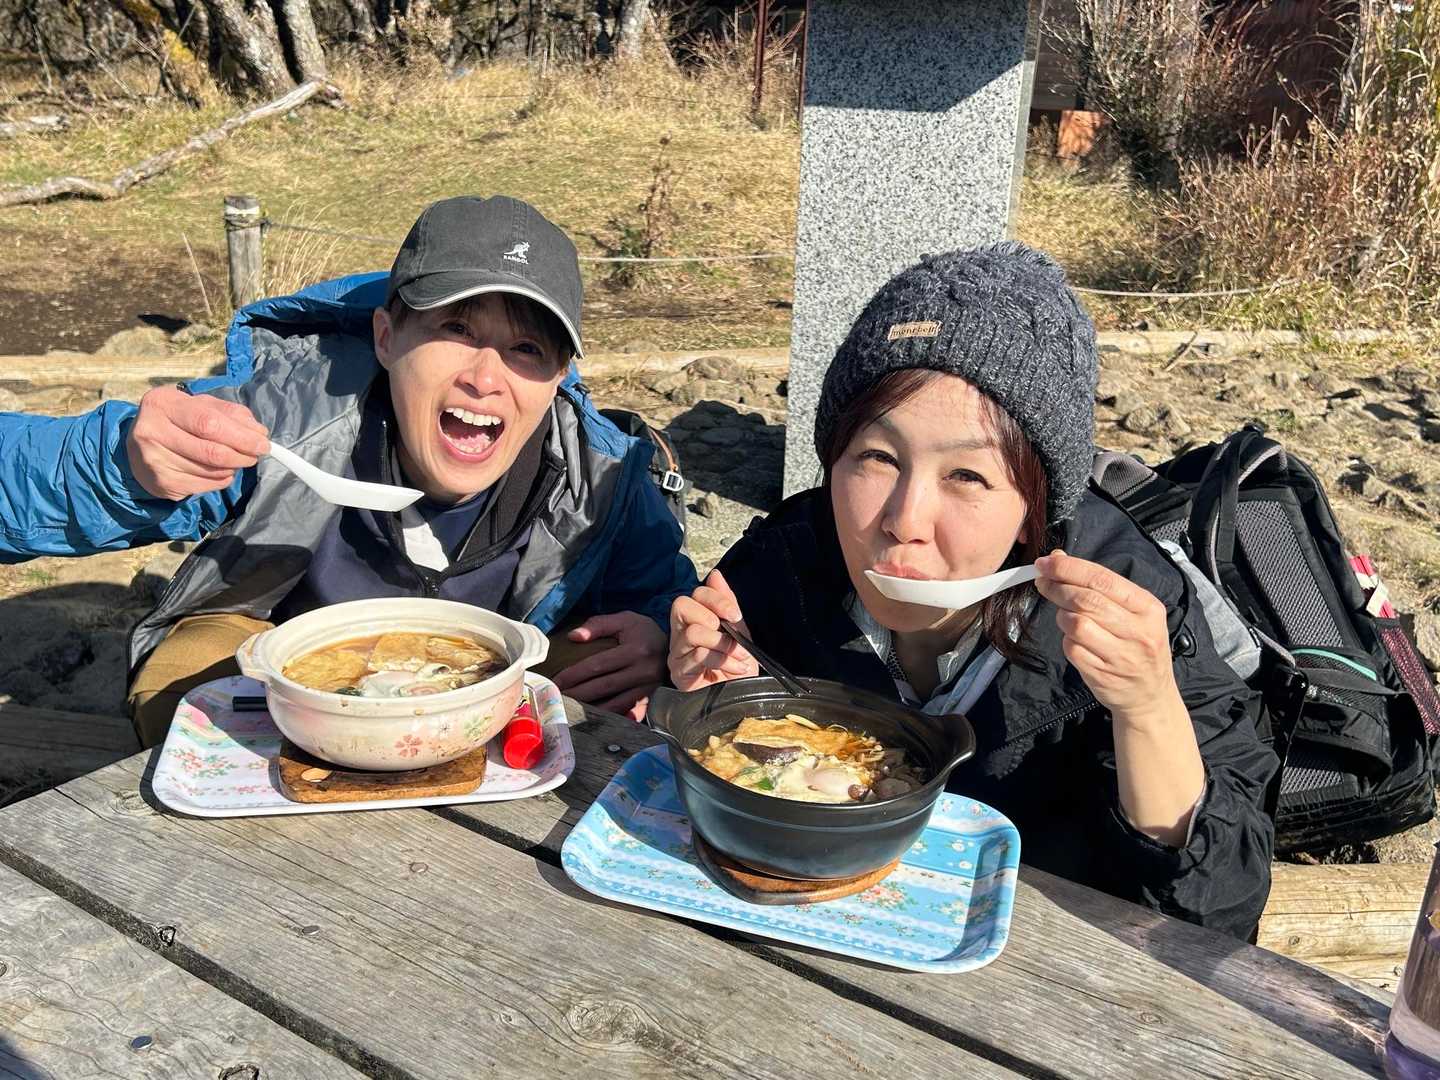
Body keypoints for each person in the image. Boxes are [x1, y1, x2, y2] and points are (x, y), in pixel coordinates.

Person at [668, 243, 1278, 940]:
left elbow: (1219, 911)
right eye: (876, 457)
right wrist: (708, 685)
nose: (903, 520)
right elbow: (705, 735)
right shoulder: (785, 562)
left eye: (967, 476)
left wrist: (1146, 708)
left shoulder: (1130, 607)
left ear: (1034, 506)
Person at [0, 195, 697, 742]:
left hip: (487, 683)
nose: (486, 379)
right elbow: (18, 485)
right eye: (456, 329)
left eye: (527, 350)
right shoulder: (283, 413)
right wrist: (121, 464)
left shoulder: (603, 475)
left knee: (608, 674)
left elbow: (670, 598)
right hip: (277, 658)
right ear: (387, 337)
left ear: (558, 376)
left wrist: (659, 631)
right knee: (189, 684)